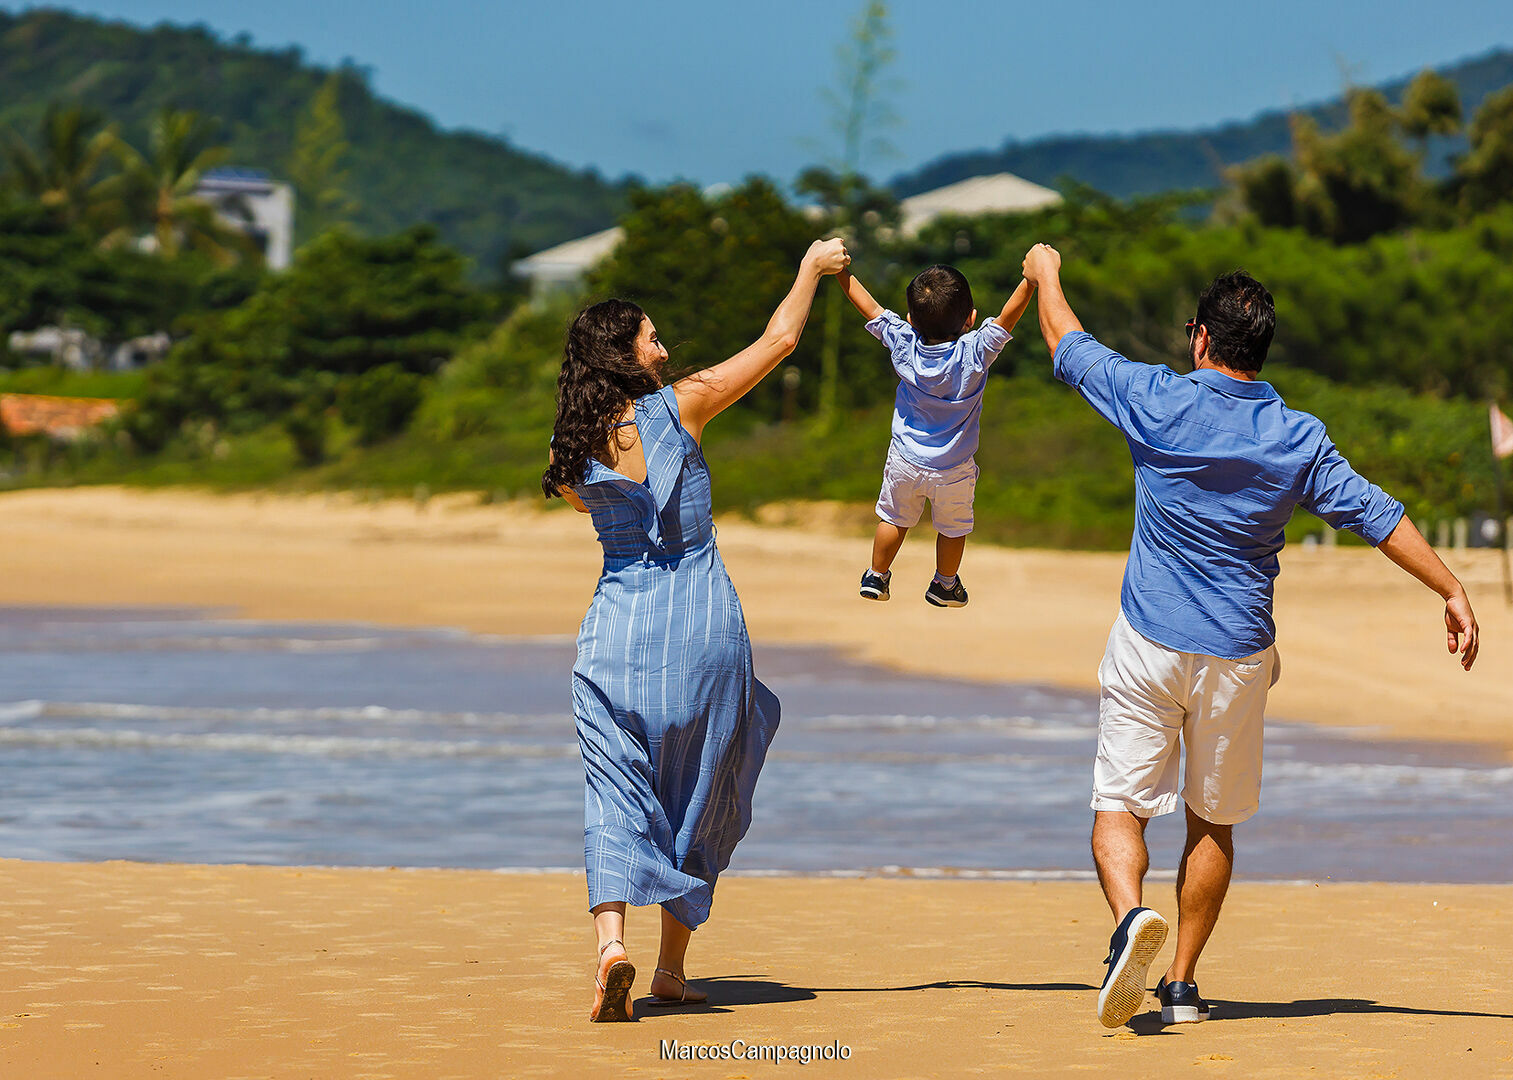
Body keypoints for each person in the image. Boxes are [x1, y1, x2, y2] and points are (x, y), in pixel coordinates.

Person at [1018, 243, 1480, 1030]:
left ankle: (1130, 920)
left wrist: (1043, 274)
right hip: (1237, 650)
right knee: (1212, 820)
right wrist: (1449, 586)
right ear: (1259, 347)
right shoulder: (1297, 436)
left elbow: (1065, 342)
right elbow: (1375, 512)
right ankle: (1183, 986)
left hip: (1149, 639)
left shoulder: (1155, 398)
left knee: (1119, 807)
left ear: (1199, 338)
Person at [543, 237, 851, 1022]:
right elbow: (779, 340)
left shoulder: (573, 448)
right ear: (624, 351)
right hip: (701, 624)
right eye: (652, 337)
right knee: (703, 786)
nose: (666, 347)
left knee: (614, 790)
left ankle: (611, 943)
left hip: (615, 633)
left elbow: (591, 509)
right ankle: (670, 971)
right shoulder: (680, 405)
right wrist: (809, 267)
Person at [837, 264, 1034, 607]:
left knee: (894, 519)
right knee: (953, 527)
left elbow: (867, 306)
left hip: (905, 459)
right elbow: (1007, 318)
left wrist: (841, 272)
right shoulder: (975, 352)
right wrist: (1032, 280)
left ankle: (876, 575)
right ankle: (944, 584)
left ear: (911, 320)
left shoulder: (904, 341)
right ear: (971, 318)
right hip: (953, 468)